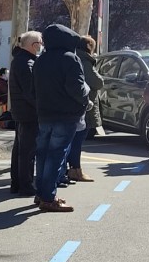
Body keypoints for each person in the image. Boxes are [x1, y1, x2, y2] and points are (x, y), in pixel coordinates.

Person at [32, 25, 90, 212]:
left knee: (42, 155)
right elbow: (78, 89)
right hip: (65, 115)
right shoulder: (70, 59)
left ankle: (41, 193)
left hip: (44, 113)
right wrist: (86, 95)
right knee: (56, 156)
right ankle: (48, 197)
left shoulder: (41, 60)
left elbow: (34, 90)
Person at [8, 32, 41, 197]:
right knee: (27, 151)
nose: (42, 47)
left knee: (21, 149)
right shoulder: (26, 62)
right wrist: (41, 107)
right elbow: (30, 92)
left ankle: (17, 183)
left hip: (21, 112)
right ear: (34, 45)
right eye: (40, 43)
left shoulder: (20, 60)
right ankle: (25, 185)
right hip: (28, 113)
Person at [68, 35, 104, 183]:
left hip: (75, 104)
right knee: (77, 138)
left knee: (72, 138)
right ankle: (75, 169)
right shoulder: (85, 61)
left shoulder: (74, 58)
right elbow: (97, 82)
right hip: (84, 104)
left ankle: (71, 168)